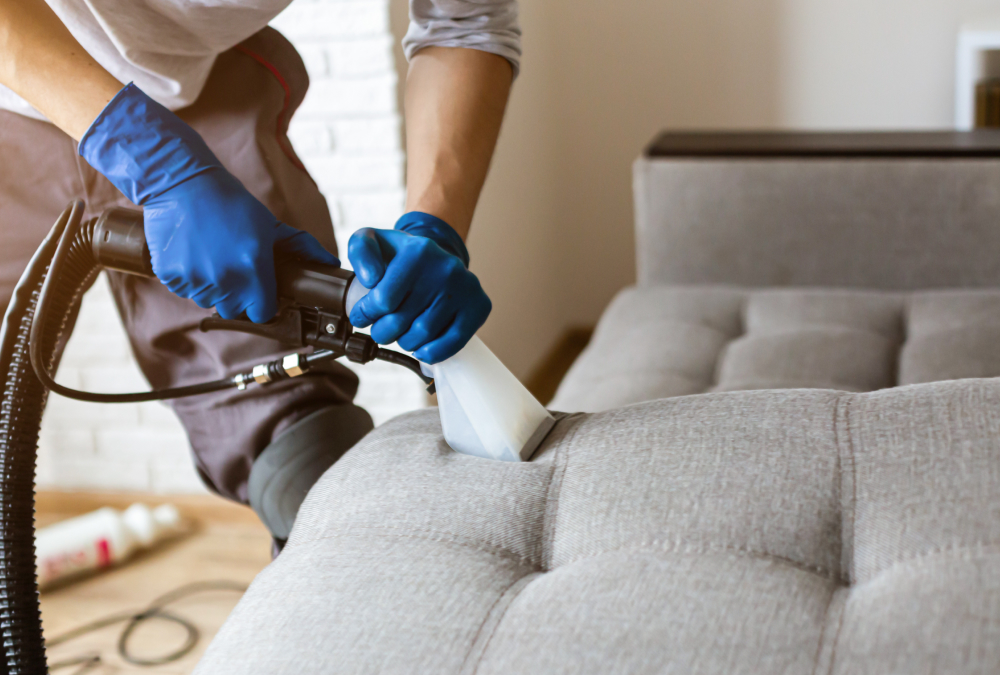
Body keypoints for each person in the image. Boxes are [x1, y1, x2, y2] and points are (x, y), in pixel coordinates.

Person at [0, 0, 518, 544]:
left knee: (301, 440)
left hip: (197, 82)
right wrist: (153, 157)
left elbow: (465, 22)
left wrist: (433, 226)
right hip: (13, 86)